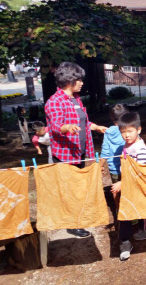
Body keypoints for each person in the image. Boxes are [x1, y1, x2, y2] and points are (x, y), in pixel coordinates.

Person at [44, 61, 106, 238]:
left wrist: (95, 127)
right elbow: (55, 126)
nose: (82, 83)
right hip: (65, 154)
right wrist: (67, 127)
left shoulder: (75, 99)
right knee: (70, 190)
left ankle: (77, 218)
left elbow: (83, 121)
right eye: (79, 80)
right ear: (70, 81)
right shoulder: (54, 102)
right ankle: (72, 225)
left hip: (79, 151)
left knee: (77, 187)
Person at [110, 112, 146, 261]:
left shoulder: (140, 150)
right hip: (128, 183)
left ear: (139, 130)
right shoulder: (127, 145)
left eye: (130, 131)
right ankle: (125, 241)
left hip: (136, 185)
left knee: (139, 209)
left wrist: (123, 183)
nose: (126, 135)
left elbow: (140, 172)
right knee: (125, 212)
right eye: (123, 132)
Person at [101, 103, 128, 194]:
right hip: (128, 166)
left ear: (112, 118)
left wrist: (100, 165)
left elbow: (105, 151)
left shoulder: (108, 132)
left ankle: (117, 207)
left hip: (114, 168)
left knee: (115, 190)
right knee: (129, 189)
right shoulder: (130, 130)